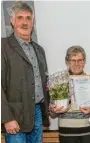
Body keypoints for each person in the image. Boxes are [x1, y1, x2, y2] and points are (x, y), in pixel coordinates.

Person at [1, 1, 50, 143]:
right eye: (20, 17)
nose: (24, 22)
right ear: (12, 21)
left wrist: (50, 105)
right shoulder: (3, 47)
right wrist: (6, 118)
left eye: (28, 18)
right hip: (14, 116)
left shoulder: (40, 50)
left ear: (32, 22)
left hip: (38, 114)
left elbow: (43, 83)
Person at [49, 46, 90, 143]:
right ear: (67, 61)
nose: (76, 64)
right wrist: (53, 110)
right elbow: (52, 113)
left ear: (84, 61)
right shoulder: (58, 80)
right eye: (73, 60)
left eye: (80, 60)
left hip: (89, 130)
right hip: (66, 131)